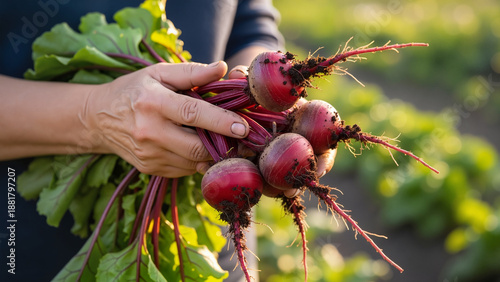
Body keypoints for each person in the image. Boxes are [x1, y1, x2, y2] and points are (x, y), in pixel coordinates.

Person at [0, 1, 335, 281]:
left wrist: (270, 102)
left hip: (223, 229)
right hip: (29, 246)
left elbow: (250, 22)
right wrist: (93, 116)